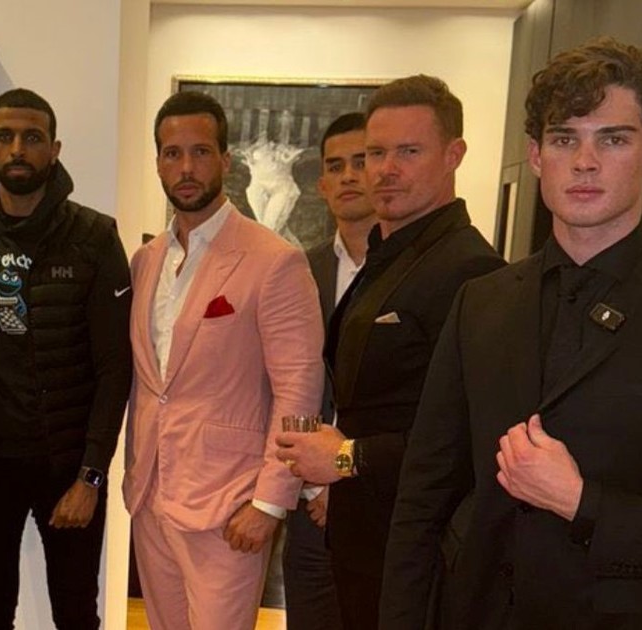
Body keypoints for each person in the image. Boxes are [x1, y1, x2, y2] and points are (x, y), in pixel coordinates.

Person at [380, 38, 642, 630]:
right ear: (535, 156)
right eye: (563, 139)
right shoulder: (481, 302)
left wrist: (584, 504)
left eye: (613, 139)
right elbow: (422, 499)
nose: (585, 161)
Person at [273, 75, 503, 629]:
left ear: (454, 155)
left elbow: (468, 439)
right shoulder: (391, 255)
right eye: (376, 153)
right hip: (366, 540)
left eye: (409, 152)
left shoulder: (469, 270)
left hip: (419, 555)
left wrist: (346, 458)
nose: (385, 169)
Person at [0, 88, 131, 630]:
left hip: (65, 465)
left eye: (33, 137)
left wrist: (91, 476)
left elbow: (115, 368)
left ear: (54, 149)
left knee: (76, 611)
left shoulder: (94, 236)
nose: (18, 149)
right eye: (5, 136)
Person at [125, 90, 324, 630]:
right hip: (152, 493)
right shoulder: (146, 261)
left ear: (226, 160)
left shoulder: (274, 260)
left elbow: (299, 389)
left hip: (229, 502)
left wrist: (270, 503)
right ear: (158, 163)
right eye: (172, 154)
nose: (186, 168)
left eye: (200, 152)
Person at [283, 111, 376, 630]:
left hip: (377, 494)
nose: (348, 176)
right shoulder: (300, 270)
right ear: (321, 184)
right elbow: (290, 383)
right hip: (309, 502)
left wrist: (342, 475)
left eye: (361, 161)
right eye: (335, 166)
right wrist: (316, 487)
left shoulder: (414, 272)